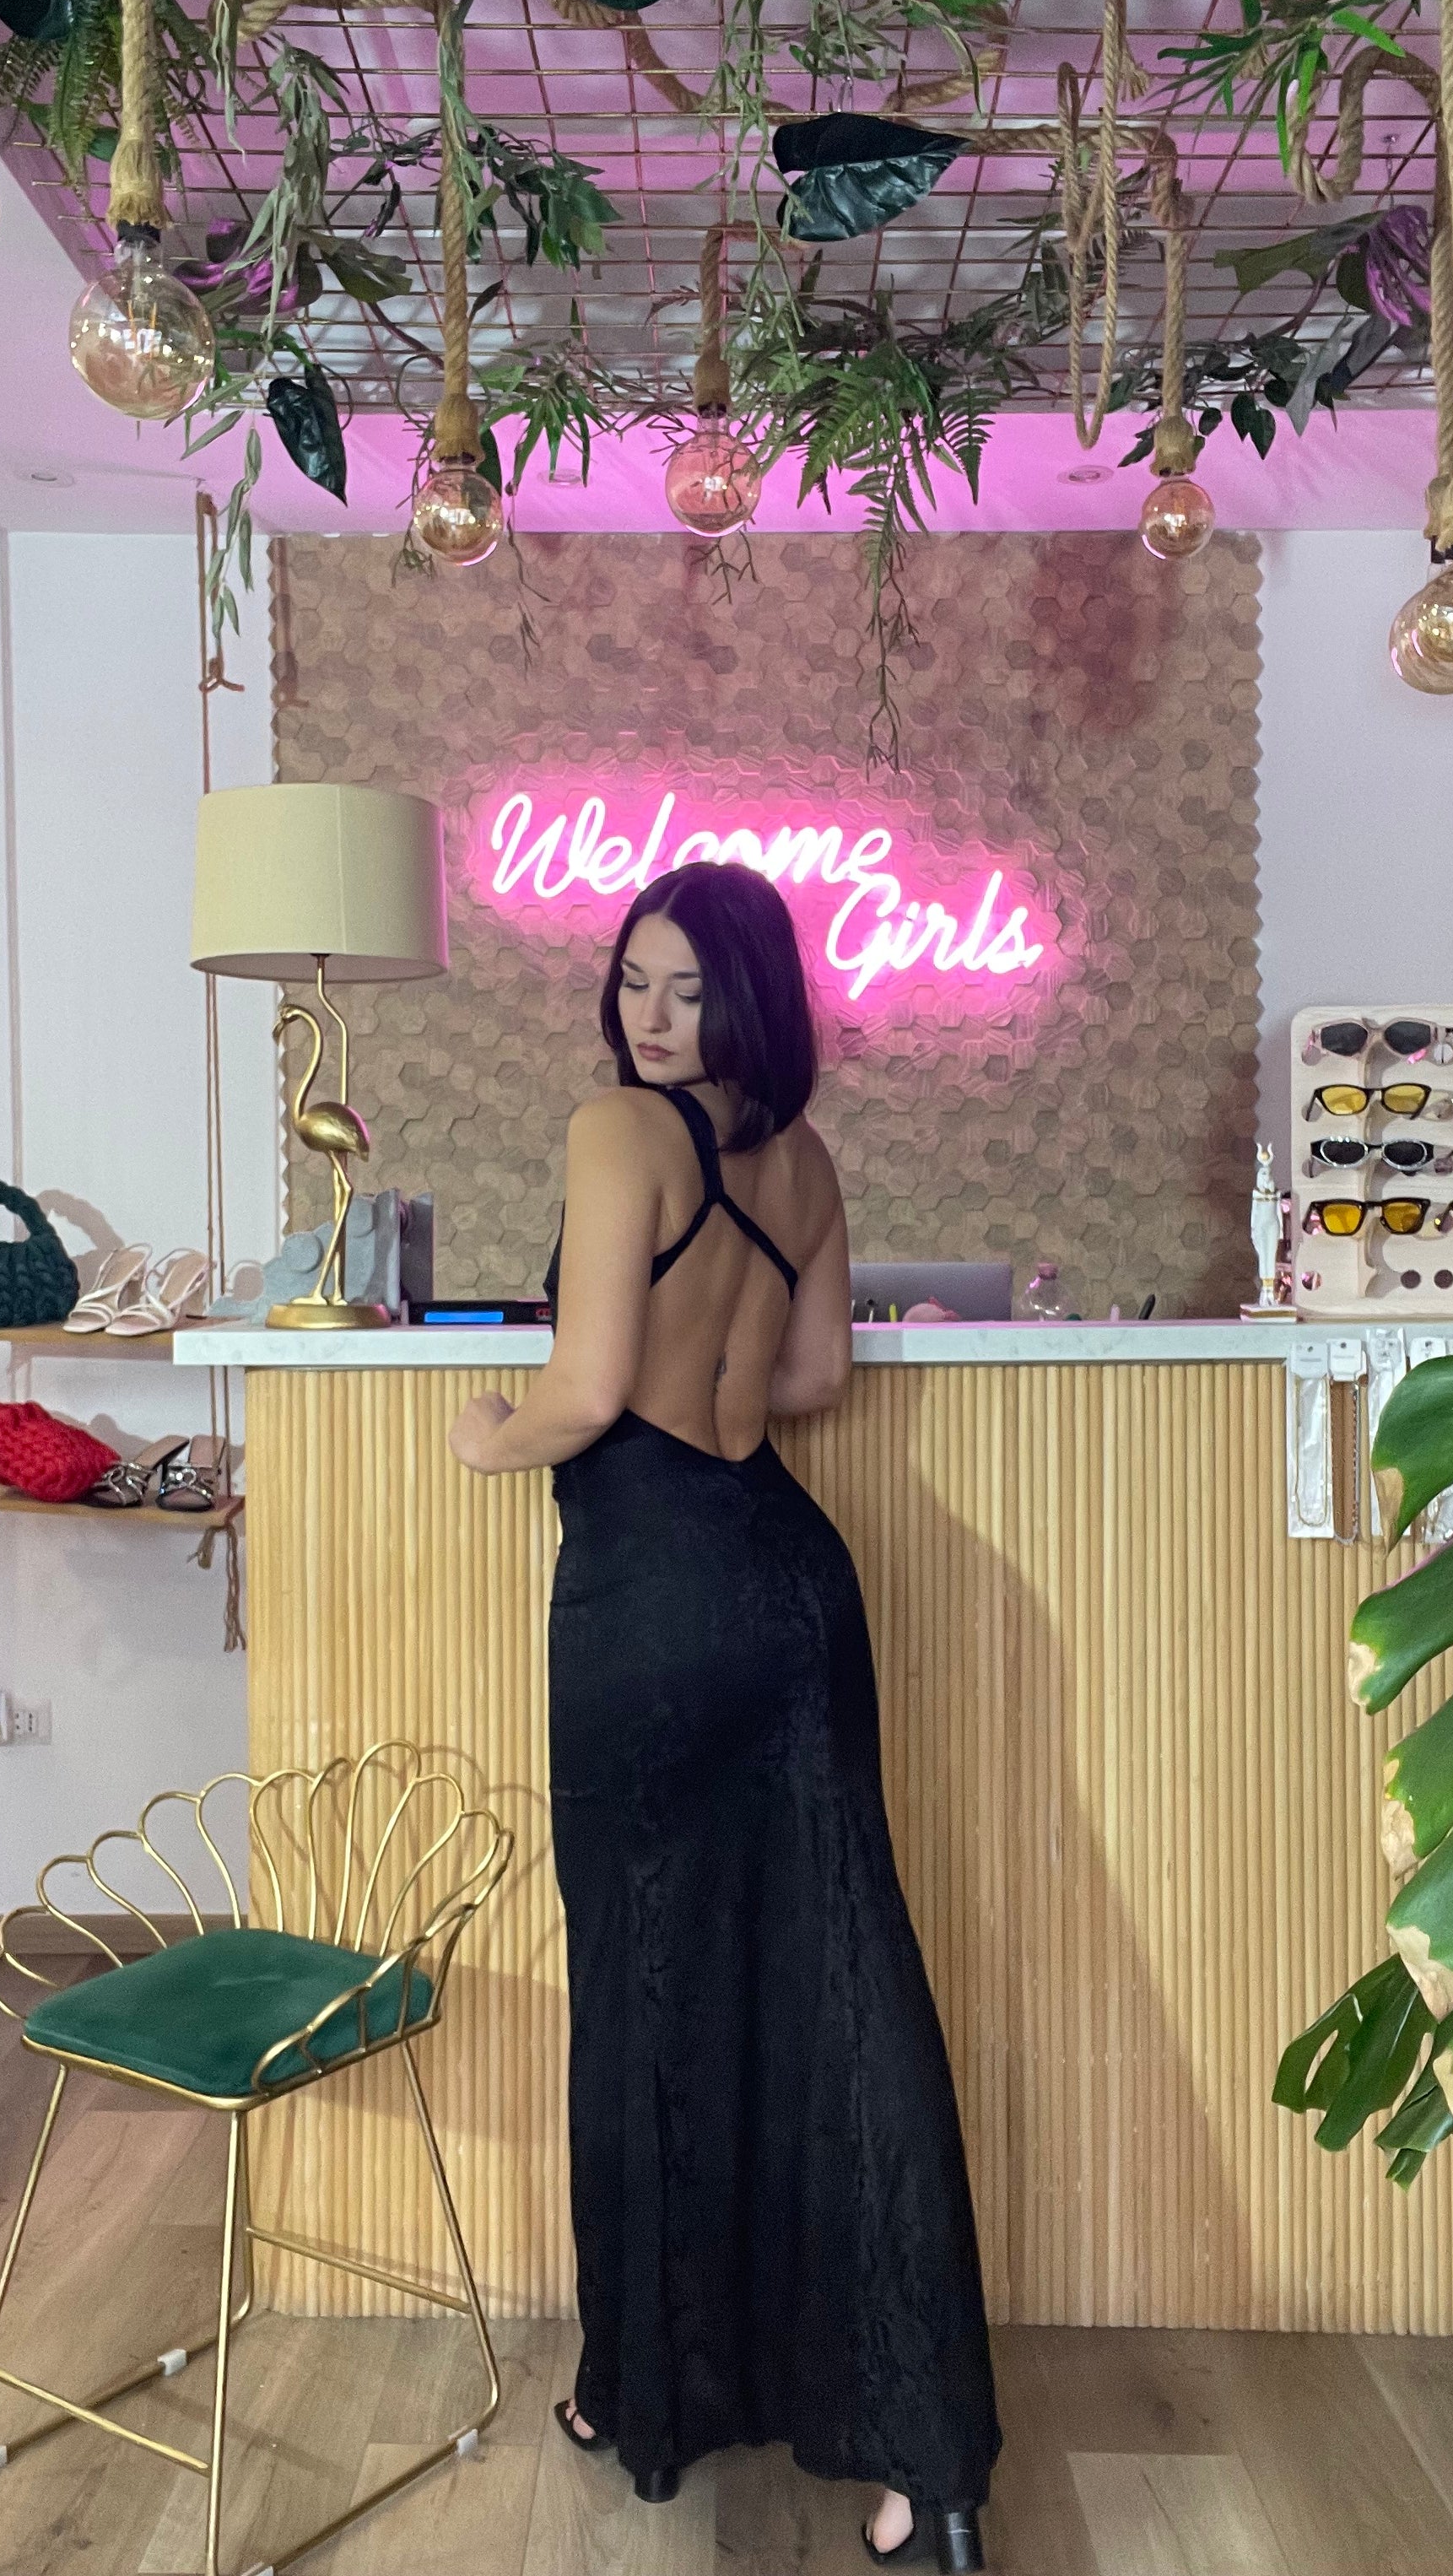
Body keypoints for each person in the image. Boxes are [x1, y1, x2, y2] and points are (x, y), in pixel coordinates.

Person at [448, 861, 1002, 2571]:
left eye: (688, 988)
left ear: (748, 996)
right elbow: (814, 1376)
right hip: (792, 1579)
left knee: (650, 1990)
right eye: (635, 980)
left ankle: (644, 2391)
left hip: (652, 1596)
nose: (651, 1016)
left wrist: (490, 1433)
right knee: (844, 1990)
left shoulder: (618, 1132)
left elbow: (587, 1391)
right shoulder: (805, 1157)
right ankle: (927, 2465)